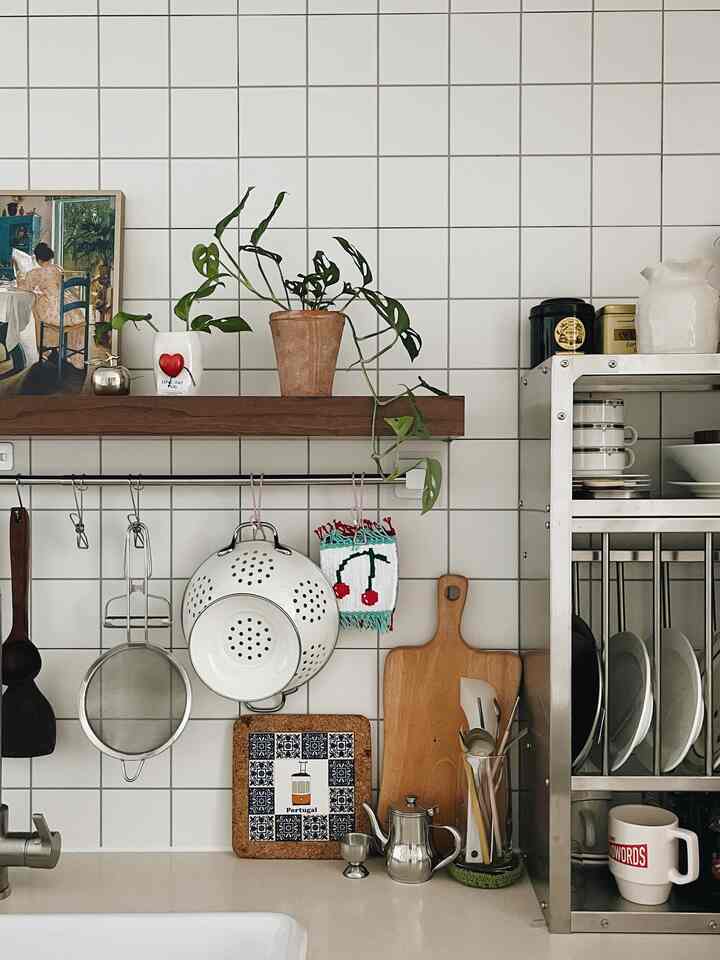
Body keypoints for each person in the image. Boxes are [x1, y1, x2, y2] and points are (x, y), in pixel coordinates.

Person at [14, 243, 86, 370]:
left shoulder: (35, 273)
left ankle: (45, 347)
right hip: (70, 309)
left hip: (56, 313)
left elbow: (25, 288)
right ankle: (55, 350)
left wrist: (20, 277)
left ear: (38, 258)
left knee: (36, 308)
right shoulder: (58, 269)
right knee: (39, 304)